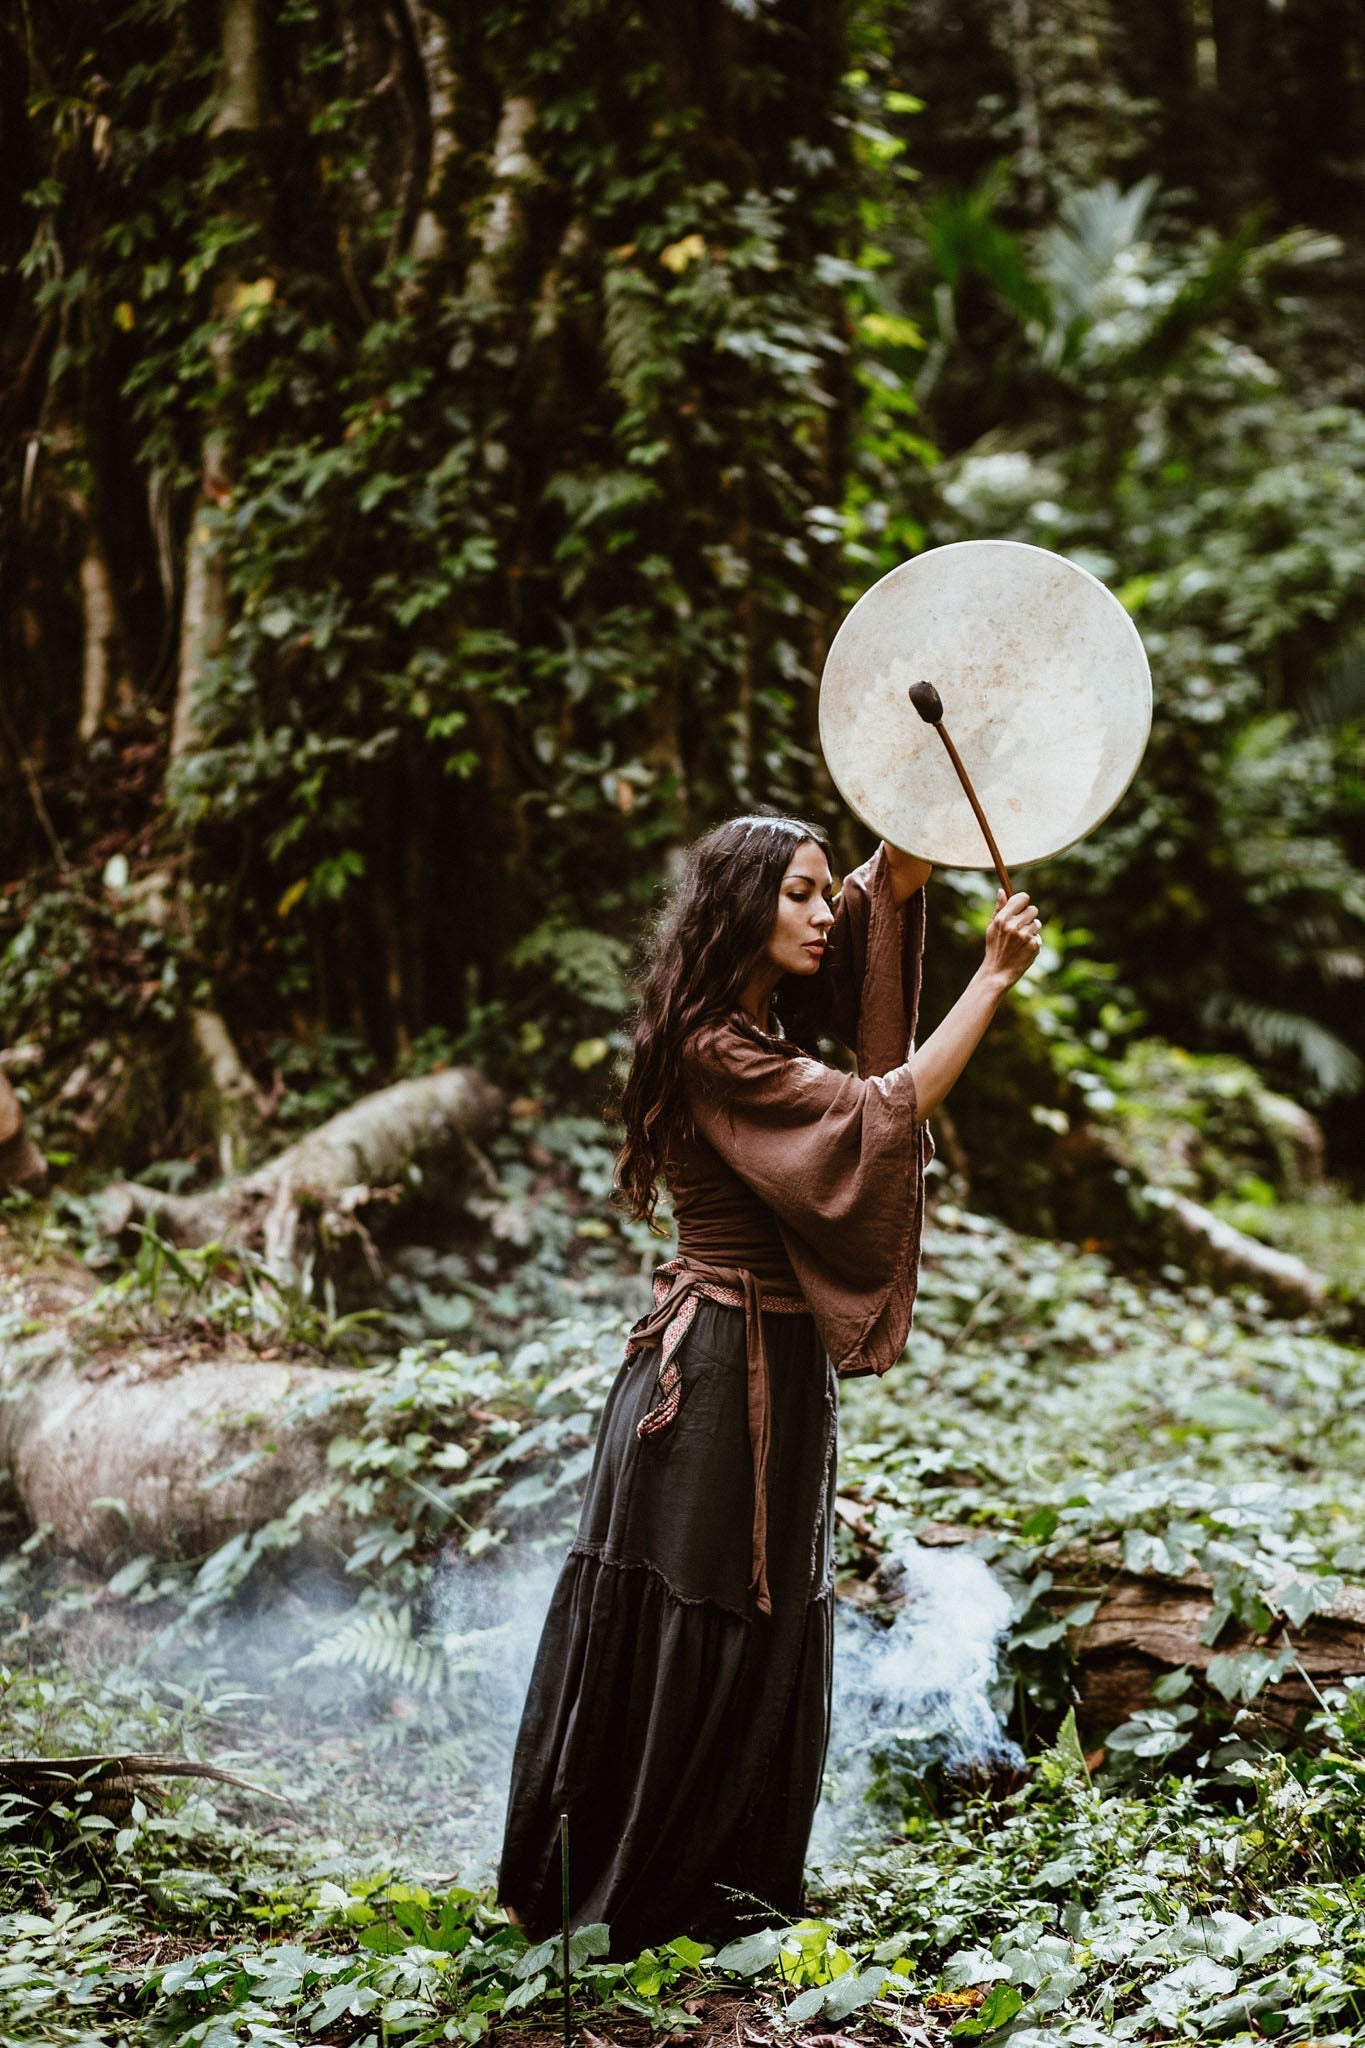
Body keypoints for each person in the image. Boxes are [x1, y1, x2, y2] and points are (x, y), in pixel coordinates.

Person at [498, 813, 1042, 1958]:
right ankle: (630, 1895)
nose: (821, 913)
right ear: (743, 907)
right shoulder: (716, 1047)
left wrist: (908, 847)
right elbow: (876, 1113)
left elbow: (874, 910)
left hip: (777, 1367)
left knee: (768, 1614)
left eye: (820, 891)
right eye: (797, 894)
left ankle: (730, 1887)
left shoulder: (764, 1019)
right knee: (699, 1610)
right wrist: (992, 976)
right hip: (704, 1380)